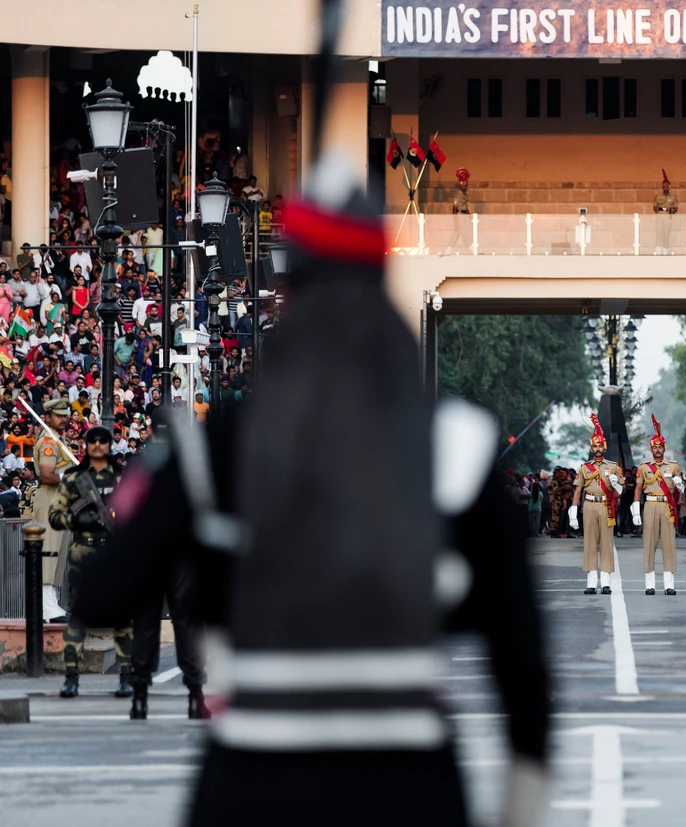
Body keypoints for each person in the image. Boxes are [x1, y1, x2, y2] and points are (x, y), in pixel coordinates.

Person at [76, 92, 550, 827]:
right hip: (410, 785)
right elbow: (522, 661)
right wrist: (524, 804)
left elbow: (98, 595)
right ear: (381, 282)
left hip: (257, 783)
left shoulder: (218, 449)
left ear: (290, 291)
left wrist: (175, 514)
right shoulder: (456, 447)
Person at [48, 425, 132, 699]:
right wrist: (76, 519)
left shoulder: (121, 478)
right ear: (86, 445)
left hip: (113, 553)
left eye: (102, 441)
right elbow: (54, 515)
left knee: (121, 616)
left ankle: (126, 676)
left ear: (109, 445)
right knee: (78, 616)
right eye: (92, 441)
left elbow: (136, 512)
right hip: (82, 553)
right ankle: (71, 676)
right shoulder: (74, 478)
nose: (97, 445)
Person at [30, 397, 75, 621]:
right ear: (47, 417)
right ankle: (46, 607)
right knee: (49, 551)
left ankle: (52, 603)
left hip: (60, 500)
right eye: (59, 415)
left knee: (59, 551)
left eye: (65, 415)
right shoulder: (48, 443)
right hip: (49, 497)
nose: (64, 419)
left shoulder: (58, 440)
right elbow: (47, 476)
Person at [568, 414, 621, 595]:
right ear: (591, 448)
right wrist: (573, 513)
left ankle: (605, 583)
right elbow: (577, 491)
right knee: (590, 544)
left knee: (606, 544)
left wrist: (615, 484)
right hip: (589, 505)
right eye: (595, 446)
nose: (598, 449)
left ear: (604, 448)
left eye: (600, 446)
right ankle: (591, 583)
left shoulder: (613, 467)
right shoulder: (584, 468)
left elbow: (621, 491)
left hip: (606, 505)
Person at [632, 415, 684, 595]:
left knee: (669, 545)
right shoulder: (644, 467)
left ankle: (669, 585)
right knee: (649, 544)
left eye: (660, 447)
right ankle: (650, 585)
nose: (657, 450)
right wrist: (635, 510)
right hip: (651, 505)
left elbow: (682, 490)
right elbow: (638, 489)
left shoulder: (674, 466)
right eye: (654, 447)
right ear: (651, 449)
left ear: (664, 448)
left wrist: (679, 482)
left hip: (666, 506)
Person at [443, 167, 471, 256]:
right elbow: (455, 207)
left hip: (463, 214)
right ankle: (471, 248)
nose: (465, 186)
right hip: (459, 214)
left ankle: (448, 250)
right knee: (463, 232)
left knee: (457, 233)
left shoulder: (464, 194)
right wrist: (455, 219)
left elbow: (466, 206)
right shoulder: (458, 194)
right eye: (463, 183)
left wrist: (469, 216)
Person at [653, 169, 678, 256]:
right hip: (660, 216)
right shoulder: (658, 196)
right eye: (664, 187)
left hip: (668, 217)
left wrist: (669, 212)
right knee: (659, 232)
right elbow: (655, 208)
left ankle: (665, 250)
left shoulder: (673, 197)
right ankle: (658, 249)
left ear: (669, 187)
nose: (665, 189)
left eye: (667, 187)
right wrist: (663, 211)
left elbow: (675, 208)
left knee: (666, 233)